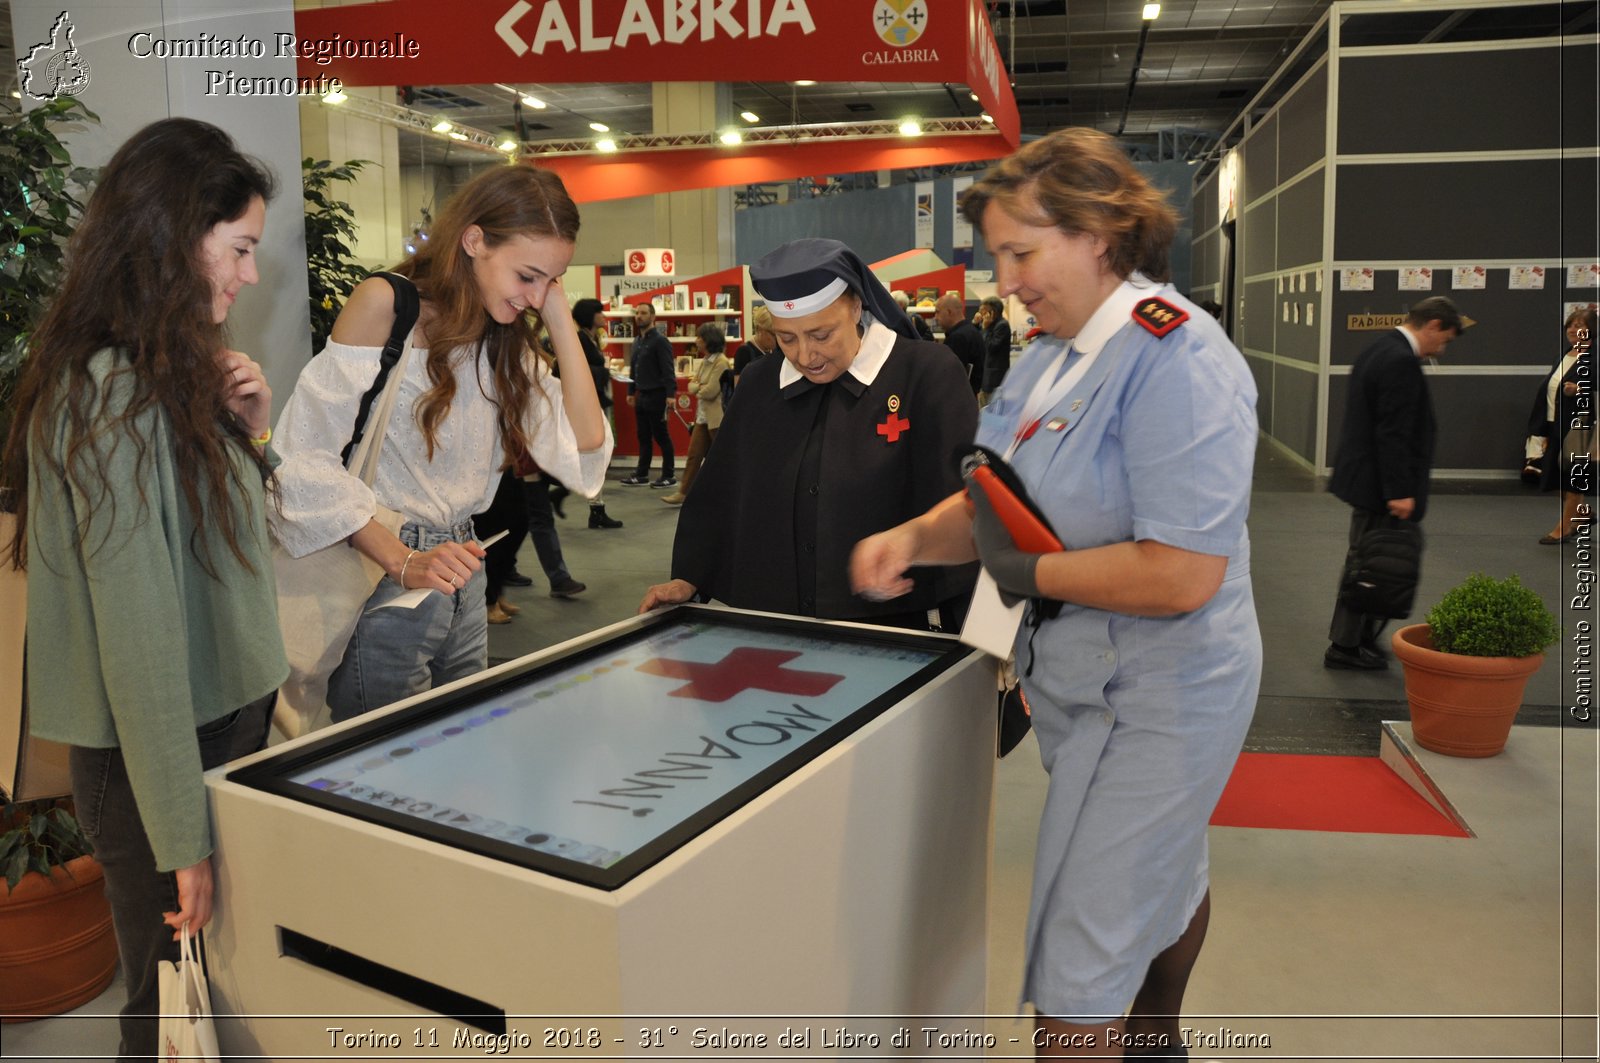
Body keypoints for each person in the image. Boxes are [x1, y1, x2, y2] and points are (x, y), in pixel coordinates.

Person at [851, 127, 1261, 1059]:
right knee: (1164, 873)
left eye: (1021, 253)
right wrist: (917, 535)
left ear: (1100, 234)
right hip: (1077, 679)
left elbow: (1182, 572)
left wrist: (1021, 576)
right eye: (998, 256)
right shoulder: (1048, 357)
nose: (1006, 279)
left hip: (1166, 693)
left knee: (1078, 961)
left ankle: (1128, 1028)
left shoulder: (1180, 362)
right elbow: (998, 499)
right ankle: (1160, 1036)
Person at [0, 118, 285, 1060]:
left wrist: (250, 431)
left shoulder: (168, 371)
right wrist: (180, 838)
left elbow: (224, 553)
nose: (247, 275)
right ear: (172, 236)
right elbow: (141, 631)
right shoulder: (108, 392)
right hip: (159, 749)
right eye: (238, 249)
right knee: (169, 1011)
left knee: (210, 990)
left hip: (217, 723)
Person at [271, 164, 611, 723]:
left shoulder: (504, 338)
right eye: (527, 275)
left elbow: (587, 441)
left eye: (550, 280)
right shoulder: (388, 304)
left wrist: (557, 314)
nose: (533, 295)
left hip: (465, 567)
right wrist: (403, 561)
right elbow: (300, 459)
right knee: (383, 769)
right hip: (383, 571)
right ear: (474, 240)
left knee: (460, 754)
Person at [640, 238, 977, 630]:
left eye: (821, 335)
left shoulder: (925, 373)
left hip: (898, 626)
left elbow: (967, 503)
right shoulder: (759, 383)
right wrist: (691, 576)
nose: (804, 356)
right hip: (779, 623)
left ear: (855, 307)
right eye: (786, 339)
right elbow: (723, 488)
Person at [1324, 295, 1462, 669]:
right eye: (1445, 339)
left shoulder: (1380, 348)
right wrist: (1399, 492)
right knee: (1371, 567)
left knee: (1370, 562)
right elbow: (1393, 433)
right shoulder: (1399, 360)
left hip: (1369, 480)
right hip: (1380, 487)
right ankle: (1346, 645)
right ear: (1432, 324)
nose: (1442, 349)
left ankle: (1360, 639)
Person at [1526, 305, 1596, 542]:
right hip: (1556, 424)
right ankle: (1581, 513)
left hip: (1582, 428)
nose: (1573, 330)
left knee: (1573, 479)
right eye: (1571, 325)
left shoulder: (1595, 359)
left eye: (1580, 326)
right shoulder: (1563, 356)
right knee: (1554, 477)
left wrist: (1581, 389)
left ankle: (1564, 528)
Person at [569, 298, 624, 528]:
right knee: (593, 456)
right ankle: (596, 509)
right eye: (599, 312)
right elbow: (573, 369)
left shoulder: (589, 338)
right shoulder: (581, 339)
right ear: (589, 316)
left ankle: (596, 508)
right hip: (587, 405)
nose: (603, 315)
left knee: (595, 456)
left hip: (592, 402)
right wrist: (603, 371)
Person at [662, 323, 732, 506]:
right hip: (702, 418)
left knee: (721, 459)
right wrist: (700, 386)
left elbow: (710, 391)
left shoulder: (721, 362)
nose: (696, 341)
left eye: (700, 337)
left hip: (716, 419)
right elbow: (692, 384)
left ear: (709, 340)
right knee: (694, 455)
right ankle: (683, 493)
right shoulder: (706, 360)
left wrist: (698, 387)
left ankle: (728, 493)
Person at [620, 300, 677, 487]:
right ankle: (642, 474)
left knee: (661, 436)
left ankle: (669, 475)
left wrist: (671, 395)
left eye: (643, 313)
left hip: (658, 395)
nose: (639, 316)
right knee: (643, 436)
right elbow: (633, 369)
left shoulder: (661, 341)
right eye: (637, 313)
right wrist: (630, 391)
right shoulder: (636, 341)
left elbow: (668, 370)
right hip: (641, 396)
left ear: (653, 317)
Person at [935, 291, 984, 393]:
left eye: (938, 312)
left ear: (949, 312)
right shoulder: (972, 332)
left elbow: (949, 376)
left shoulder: (958, 338)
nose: (935, 317)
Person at [731, 304, 777, 387]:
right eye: (774, 334)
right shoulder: (744, 352)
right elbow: (739, 388)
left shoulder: (774, 350)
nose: (778, 339)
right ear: (760, 329)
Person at [979, 294, 1013, 400]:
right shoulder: (989, 324)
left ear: (993, 312)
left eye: (984, 310)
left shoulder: (1002, 325)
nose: (981, 313)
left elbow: (991, 346)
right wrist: (976, 324)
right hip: (986, 376)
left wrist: (985, 329)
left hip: (994, 377)